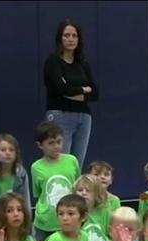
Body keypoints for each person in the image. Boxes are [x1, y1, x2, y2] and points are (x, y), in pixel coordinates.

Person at [43, 19, 98, 166]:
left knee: (76, 165)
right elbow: (60, 88)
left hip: (83, 117)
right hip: (60, 115)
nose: (71, 39)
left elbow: (95, 93)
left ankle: (75, 190)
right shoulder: (53, 61)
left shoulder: (82, 64)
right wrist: (82, 90)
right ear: (60, 38)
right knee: (60, 163)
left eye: (74, 36)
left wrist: (71, 92)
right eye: (66, 35)